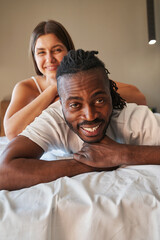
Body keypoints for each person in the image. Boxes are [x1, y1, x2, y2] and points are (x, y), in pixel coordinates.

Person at [0, 49, 159, 191]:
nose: (90, 116)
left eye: (99, 101)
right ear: (61, 105)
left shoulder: (131, 118)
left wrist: (123, 154)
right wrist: (88, 163)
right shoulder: (54, 118)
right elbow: (4, 171)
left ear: (111, 96)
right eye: (75, 105)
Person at [3, 20, 147, 140]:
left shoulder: (85, 80)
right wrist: (54, 89)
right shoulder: (25, 87)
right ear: (34, 56)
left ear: (69, 51)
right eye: (41, 52)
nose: (49, 59)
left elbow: (140, 98)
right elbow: (11, 133)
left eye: (57, 50)